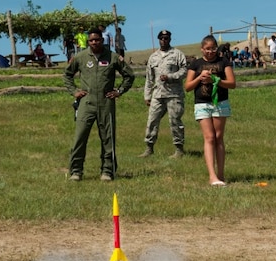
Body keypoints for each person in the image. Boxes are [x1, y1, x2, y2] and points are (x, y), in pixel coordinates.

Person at [64, 28, 135, 181]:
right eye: (91, 40)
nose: (94, 42)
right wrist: (74, 91)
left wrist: (119, 91)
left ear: (102, 40)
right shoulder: (81, 57)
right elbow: (67, 75)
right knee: (80, 137)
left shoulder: (113, 57)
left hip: (106, 103)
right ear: (88, 42)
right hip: (86, 103)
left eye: (97, 39)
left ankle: (107, 171)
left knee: (108, 138)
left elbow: (129, 76)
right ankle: (76, 171)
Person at [185, 34, 236, 186]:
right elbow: (187, 87)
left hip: (220, 103)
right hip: (202, 104)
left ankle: (221, 174)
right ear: (202, 49)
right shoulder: (196, 64)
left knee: (219, 137)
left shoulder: (223, 62)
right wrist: (200, 77)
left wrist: (216, 80)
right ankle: (212, 176)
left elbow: (232, 83)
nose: (210, 51)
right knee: (209, 137)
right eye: (207, 49)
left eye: (213, 48)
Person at [139, 30, 187, 159]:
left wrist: (171, 76)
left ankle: (179, 148)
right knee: (152, 121)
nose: (164, 40)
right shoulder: (153, 57)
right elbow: (149, 78)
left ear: (170, 39)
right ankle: (149, 148)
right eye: (161, 38)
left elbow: (184, 71)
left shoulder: (177, 54)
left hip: (174, 94)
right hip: (158, 94)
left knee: (175, 121)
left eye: (166, 38)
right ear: (159, 39)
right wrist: (147, 95)